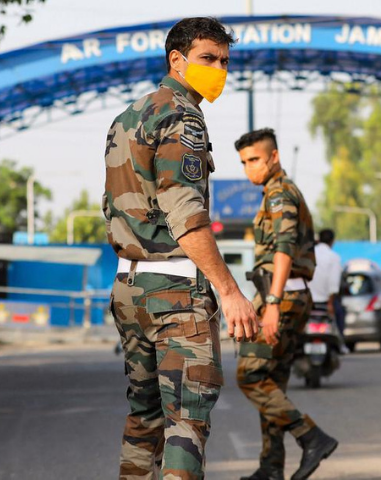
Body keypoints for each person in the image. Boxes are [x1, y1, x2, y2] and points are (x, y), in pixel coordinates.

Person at [102, 17, 257, 479]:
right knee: (186, 422)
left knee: (144, 418)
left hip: (130, 287)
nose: (219, 70)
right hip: (176, 296)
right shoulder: (182, 116)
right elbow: (186, 217)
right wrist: (229, 292)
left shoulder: (128, 116)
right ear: (178, 59)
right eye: (208, 59)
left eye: (225, 62)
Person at [234, 129, 338, 480]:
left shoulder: (280, 193)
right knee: (272, 381)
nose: (249, 169)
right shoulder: (275, 192)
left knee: (249, 376)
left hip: (283, 296)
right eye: (244, 162)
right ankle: (271, 468)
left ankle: (311, 436)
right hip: (290, 295)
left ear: (274, 157)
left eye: (255, 160)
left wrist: (273, 304)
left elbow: (284, 247)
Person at [309, 229, 346, 340]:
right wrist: (330, 304)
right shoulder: (334, 257)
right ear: (332, 241)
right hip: (325, 302)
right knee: (340, 314)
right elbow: (333, 284)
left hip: (307, 301)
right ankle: (340, 342)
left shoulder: (309, 254)